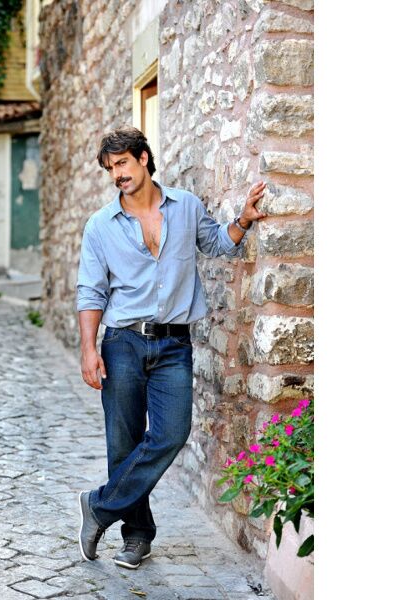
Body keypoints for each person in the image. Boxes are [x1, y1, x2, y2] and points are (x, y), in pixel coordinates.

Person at [76, 126, 266, 569]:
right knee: (123, 443)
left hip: (174, 344)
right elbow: (90, 291)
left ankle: (98, 506)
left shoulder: (186, 207)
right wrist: (89, 348)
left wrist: (243, 220)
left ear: (143, 158)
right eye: (110, 168)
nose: (117, 174)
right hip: (122, 342)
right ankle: (136, 536)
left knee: (171, 433)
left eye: (122, 163)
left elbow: (217, 243)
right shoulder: (100, 226)